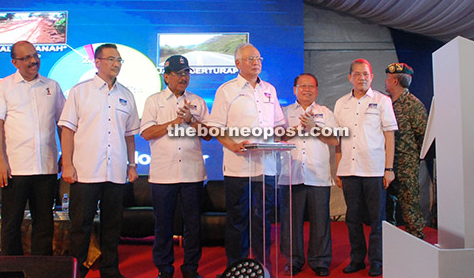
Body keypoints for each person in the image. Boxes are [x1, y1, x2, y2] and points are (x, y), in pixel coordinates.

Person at [59, 43, 140, 278]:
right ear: (97, 61)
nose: (116, 64)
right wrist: (67, 164)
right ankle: (76, 271)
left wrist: (132, 165)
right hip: (85, 169)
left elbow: (129, 135)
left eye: (119, 60)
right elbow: (67, 131)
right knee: (80, 225)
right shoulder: (79, 91)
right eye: (111, 59)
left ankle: (110, 270)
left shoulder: (126, 94)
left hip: (115, 170)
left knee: (112, 225)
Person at [206, 43, 285, 270]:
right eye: (250, 58)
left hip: (267, 167)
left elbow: (279, 125)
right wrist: (233, 145)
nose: (256, 62)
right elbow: (215, 127)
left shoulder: (269, 89)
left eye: (258, 58)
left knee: (263, 221)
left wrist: (279, 139)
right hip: (238, 166)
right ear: (238, 63)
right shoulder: (226, 90)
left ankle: (263, 266)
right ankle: (237, 267)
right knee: (238, 220)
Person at [0, 40, 65, 256]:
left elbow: (63, 123)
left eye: (35, 55)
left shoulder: (52, 86)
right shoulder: (3, 86)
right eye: (26, 58)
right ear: (15, 62)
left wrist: (66, 155)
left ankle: (41, 270)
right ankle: (11, 271)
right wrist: (0, 161)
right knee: (11, 224)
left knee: (44, 224)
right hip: (15, 168)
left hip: (46, 167)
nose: (33, 60)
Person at [140, 55, 209, 278]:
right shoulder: (154, 101)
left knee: (193, 225)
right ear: (166, 76)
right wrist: (175, 123)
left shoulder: (198, 101)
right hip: (163, 174)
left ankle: (190, 268)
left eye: (186, 73)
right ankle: (164, 269)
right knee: (163, 225)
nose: (183, 77)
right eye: (179, 73)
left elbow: (209, 135)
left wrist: (191, 120)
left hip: (192, 172)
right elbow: (146, 132)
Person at [334, 58, 398, 277]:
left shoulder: (382, 101)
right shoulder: (341, 103)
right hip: (349, 171)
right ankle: (357, 259)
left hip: (374, 170)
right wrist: (338, 168)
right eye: (358, 74)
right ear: (350, 77)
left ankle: (377, 261)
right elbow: (339, 140)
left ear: (371, 77)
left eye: (366, 74)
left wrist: (389, 169)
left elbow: (389, 136)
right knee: (352, 218)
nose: (362, 78)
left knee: (377, 218)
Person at [279, 73, 338, 277]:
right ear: (295, 89)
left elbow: (335, 140)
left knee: (320, 220)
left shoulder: (325, 112)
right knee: (290, 222)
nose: (307, 90)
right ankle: (292, 260)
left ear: (317, 89)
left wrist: (314, 128)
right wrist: (297, 128)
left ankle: (320, 261)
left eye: (311, 86)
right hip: (290, 174)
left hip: (318, 174)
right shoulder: (284, 112)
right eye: (302, 86)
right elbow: (277, 136)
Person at [383, 62, 427, 239]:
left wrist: (412, 157)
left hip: (405, 163)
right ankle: (391, 239)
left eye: (387, 79)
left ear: (394, 81)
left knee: (410, 205)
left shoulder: (413, 105)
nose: (385, 82)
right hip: (385, 163)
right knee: (387, 205)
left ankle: (416, 240)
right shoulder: (384, 103)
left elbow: (422, 135)